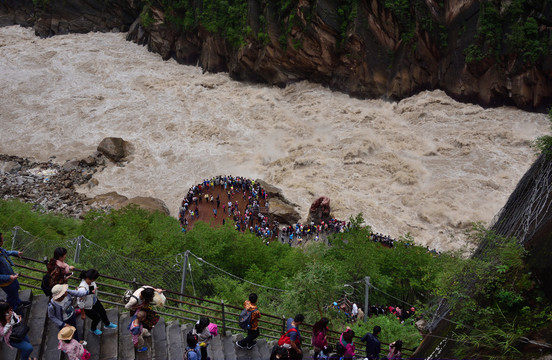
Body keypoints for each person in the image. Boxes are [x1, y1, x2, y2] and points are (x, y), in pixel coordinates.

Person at [76, 269, 117, 335]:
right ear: (90, 278)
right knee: (96, 318)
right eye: (94, 279)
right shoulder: (82, 289)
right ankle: (93, 329)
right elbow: (80, 302)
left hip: (94, 301)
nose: (94, 281)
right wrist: (83, 313)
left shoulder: (91, 281)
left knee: (102, 312)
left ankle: (107, 324)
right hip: (87, 306)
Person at [0, 233, 30, 312]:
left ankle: (18, 302)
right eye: (2, 240)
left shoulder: (0, 250)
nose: (3, 241)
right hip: (6, 281)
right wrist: (9, 277)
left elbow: (6, 252)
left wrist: (15, 253)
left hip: (11, 276)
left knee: (16, 288)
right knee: (11, 294)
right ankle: (14, 309)